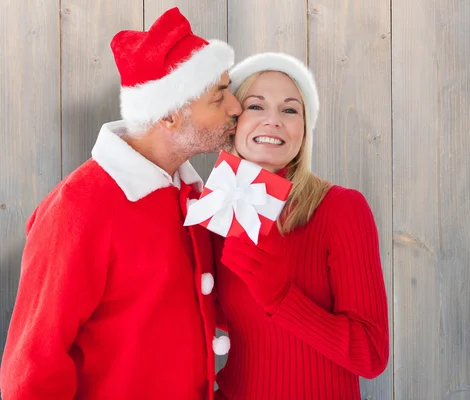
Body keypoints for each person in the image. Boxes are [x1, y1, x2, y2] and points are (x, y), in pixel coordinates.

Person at [0, 7, 240, 400]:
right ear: (169, 116)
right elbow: (32, 372)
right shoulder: (80, 206)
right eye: (219, 96)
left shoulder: (193, 196)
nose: (235, 107)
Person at [213, 52, 389, 399]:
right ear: (234, 122)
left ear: (304, 130)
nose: (273, 121)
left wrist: (282, 299)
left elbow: (371, 356)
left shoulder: (340, 208)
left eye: (290, 109)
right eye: (256, 106)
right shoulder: (217, 211)